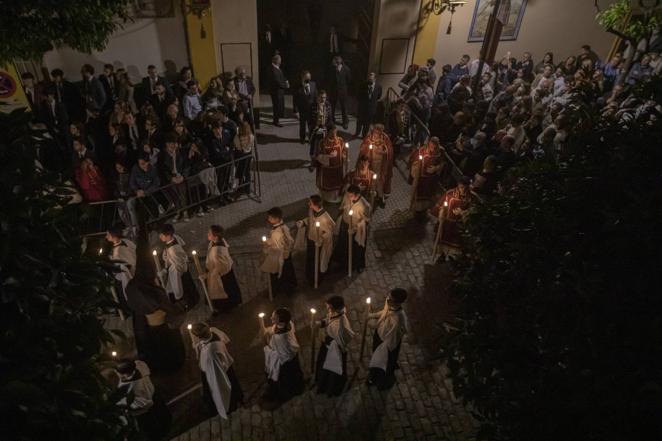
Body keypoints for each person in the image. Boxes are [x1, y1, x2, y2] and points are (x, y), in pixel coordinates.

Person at [190, 322, 244, 419]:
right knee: (232, 381)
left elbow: (204, 365)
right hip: (226, 367)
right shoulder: (214, 332)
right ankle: (237, 397)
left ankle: (225, 405)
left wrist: (198, 350)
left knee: (218, 388)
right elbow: (224, 340)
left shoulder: (208, 350)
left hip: (214, 372)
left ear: (198, 337)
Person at [115, 359, 171, 441]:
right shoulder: (140, 365)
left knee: (151, 430)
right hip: (154, 398)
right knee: (163, 418)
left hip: (143, 410)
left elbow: (132, 403)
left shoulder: (127, 386)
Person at [260, 307, 305, 405]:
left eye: (274, 318)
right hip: (291, 357)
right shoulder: (289, 324)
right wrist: (267, 330)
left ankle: (285, 393)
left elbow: (275, 352)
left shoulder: (280, 338)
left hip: (284, 362)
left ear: (281, 321)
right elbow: (274, 330)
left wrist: (266, 348)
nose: (271, 318)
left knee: (285, 379)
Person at [366, 288, 409, 390]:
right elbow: (384, 312)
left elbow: (392, 338)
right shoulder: (390, 303)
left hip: (387, 343)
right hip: (380, 336)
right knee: (376, 355)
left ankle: (379, 379)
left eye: (391, 300)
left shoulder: (398, 320)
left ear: (399, 303)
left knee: (383, 362)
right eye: (388, 297)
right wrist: (373, 315)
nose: (388, 300)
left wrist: (375, 326)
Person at [314, 295, 355, 396]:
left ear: (336, 308)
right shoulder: (336, 313)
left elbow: (342, 339)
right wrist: (320, 323)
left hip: (333, 350)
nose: (327, 309)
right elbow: (329, 319)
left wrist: (331, 344)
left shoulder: (340, 325)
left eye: (329, 307)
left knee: (331, 369)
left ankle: (330, 387)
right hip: (328, 345)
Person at [294, 195, 336, 285]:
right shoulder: (312, 211)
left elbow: (330, 232)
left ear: (316, 205)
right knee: (310, 259)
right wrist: (303, 222)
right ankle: (310, 276)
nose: (309, 204)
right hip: (311, 240)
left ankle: (317, 278)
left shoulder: (326, 218)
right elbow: (310, 220)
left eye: (310, 203)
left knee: (318, 261)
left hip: (319, 245)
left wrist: (321, 239)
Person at [430, 176, 474, 260]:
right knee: (443, 241)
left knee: (454, 245)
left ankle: (451, 258)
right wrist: (442, 212)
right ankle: (442, 255)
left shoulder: (470, 197)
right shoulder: (450, 193)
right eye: (461, 187)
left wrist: (463, 212)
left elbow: (472, 210)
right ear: (458, 184)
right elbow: (441, 205)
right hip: (446, 224)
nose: (463, 190)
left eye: (465, 188)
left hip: (458, 226)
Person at [259, 207, 297, 295]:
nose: (268, 219)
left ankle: (281, 290)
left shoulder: (277, 233)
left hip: (280, 256)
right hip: (286, 254)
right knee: (288, 271)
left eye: (270, 218)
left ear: (276, 219)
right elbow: (290, 240)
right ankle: (290, 287)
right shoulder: (284, 227)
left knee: (280, 273)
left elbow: (276, 246)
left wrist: (267, 243)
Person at [333, 185, 370, 273]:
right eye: (348, 195)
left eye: (351, 196)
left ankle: (357, 265)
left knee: (357, 249)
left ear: (358, 195)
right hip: (345, 225)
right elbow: (342, 207)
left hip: (357, 231)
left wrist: (355, 228)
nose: (349, 198)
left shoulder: (365, 205)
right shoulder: (347, 196)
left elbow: (366, 221)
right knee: (343, 245)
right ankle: (342, 263)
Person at [205, 225, 243, 311]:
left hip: (221, 275)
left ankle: (226, 308)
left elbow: (221, 267)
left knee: (224, 291)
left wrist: (209, 274)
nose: (208, 234)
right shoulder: (216, 242)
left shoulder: (217, 250)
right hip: (220, 272)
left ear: (216, 236)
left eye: (210, 233)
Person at [158, 224, 196, 306]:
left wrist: (165, 270)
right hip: (175, 269)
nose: (159, 236)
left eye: (161, 235)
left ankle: (185, 303)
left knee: (183, 288)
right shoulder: (172, 240)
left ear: (168, 236)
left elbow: (178, 264)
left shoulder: (173, 249)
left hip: (179, 273)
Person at [358, 124, 394, 206]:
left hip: (381, 165)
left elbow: (390, 150)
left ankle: (380, 197)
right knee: (369, 180)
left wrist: (384, 152)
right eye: (375, 133)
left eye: (378, 133)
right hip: (369, 164)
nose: (376, 135)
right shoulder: (368, 139)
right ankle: (370, 197)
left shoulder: (385, 138)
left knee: (379, 181)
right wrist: (366, 151)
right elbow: (363, 149)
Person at [408, 136, 444, 215]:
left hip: (432, 180)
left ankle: (424, 210)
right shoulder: (421, 152)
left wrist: (435, 168)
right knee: (418, 196)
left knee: (429, 195)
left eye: (435, 147)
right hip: (421, 180)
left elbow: (442, 163)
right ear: (428, 144)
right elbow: (413, 163)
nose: (433, 149)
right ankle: (416, 211)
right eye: (431, 146)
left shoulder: (440, 152)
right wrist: (416, 171)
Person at [314, 124, 346, 203]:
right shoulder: (322, 142)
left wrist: (344, 157)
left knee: (336, 184)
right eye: (332, 133)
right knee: (327, 185)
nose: (334, 135)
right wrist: (328, 157)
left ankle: (335, 197)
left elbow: (344, 151)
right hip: (327, 169)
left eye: (335, 132)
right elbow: (318, 156)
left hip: (338, 168)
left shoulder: (340, 140)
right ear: (328, 132)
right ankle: (326, 198)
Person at [106, 226, 137, 302]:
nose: (106, 237)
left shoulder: (122, 247)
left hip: (126, 275)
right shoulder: (117, 246)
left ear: (114, 235)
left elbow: (130, 261)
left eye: (108, 234)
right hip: (120, 275)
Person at [293, 70, 318, 144]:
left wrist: (317, 107)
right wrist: (295, 111)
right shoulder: (298, 86)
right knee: (302, 126)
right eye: (307, 78)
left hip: (311, 109)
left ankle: (310, 138)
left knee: (311, 125)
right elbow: (295, 99)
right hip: (302, 109)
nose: (308, 79)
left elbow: (316, 97)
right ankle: (302, 139)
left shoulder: (313, 84)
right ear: (303, 78)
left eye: (309, 77)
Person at [355, 72, 382, 138]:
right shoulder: (363, 85)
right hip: (362, 107)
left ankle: (364, 135)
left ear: (375, 79)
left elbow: (378, 96)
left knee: (367, 123)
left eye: (371, 79)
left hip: (371, 108)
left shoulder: (378, 87)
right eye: (369, 79)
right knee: (359, 121)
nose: (370, 80)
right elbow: (358, 95)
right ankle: (357, 133)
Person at [328, 56, 351, 129]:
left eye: (335, 62)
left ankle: (345, 122)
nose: (333, 63)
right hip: (333, 91)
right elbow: (328, 79)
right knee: (332, 107)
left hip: (343, 92)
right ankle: (331, 121)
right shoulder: (331, 69)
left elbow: (349, 80)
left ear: (339, 62)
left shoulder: (346, 69)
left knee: (344, 108)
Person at [309, 90, 333, 158]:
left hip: (324, 127)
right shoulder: (313, 106)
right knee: (314, 145)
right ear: (318, 97)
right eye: (321, 97)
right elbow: (310, 119)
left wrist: (327, 127)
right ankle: (312, 161)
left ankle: (322, 159)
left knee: (325, 145)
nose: (323, 99)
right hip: (315, 127)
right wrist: (315, 128)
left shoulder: (328, 105)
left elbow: (330, 118)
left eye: (324, 97)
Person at [232, 121, 254, 196]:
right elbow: (251, 144)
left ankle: (241, 188)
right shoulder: (250, 136)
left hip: (240, 155)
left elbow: (237, 146)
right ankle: (247, 188)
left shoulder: (237, 137)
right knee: (247, 172)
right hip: (248, 154)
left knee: (240, 172)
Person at [268, 54, 289, 127]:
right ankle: (276, 121)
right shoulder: (273, 69)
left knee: (279, 105)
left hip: (279, 91)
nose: (281, 61)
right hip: (276, 91)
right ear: (276, 60)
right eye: (279, 60)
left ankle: (278, 118)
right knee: (276, 106)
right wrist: (285, 86)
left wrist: (286, 81)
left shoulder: (277, 68)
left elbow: (282, 77)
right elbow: (277, 81)